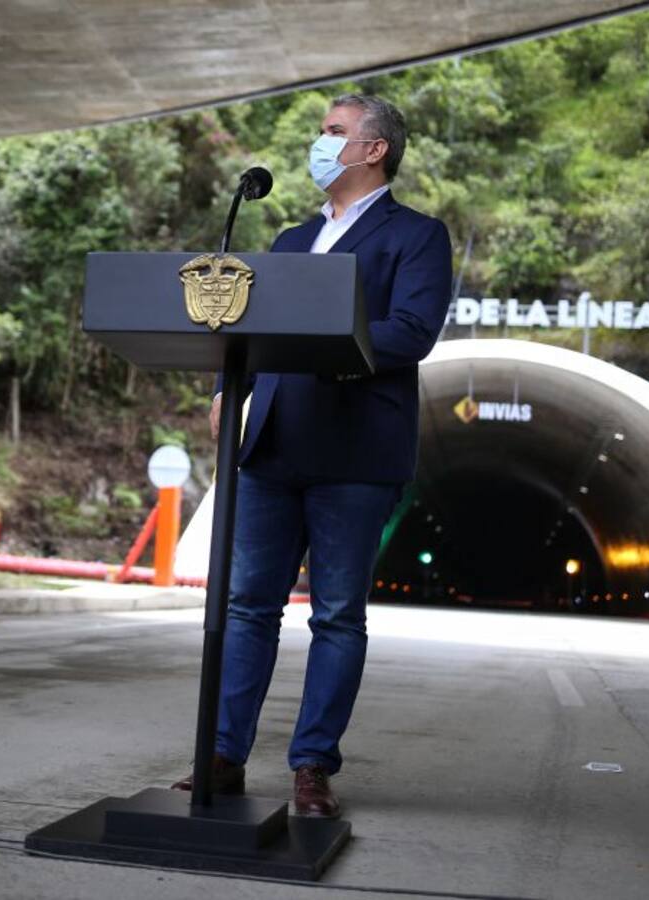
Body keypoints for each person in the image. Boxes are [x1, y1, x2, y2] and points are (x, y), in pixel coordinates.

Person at [173, 95, 453, 816]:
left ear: (373, 150)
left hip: (357, 452)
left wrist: (329, 349)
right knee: (246, 608)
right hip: (270, 444)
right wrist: (223, 389)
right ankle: (224, 756)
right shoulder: (293, 241)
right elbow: (244, 320)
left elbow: (413, 331)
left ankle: (311, 767)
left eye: (333, 133)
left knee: (335, 617)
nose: (318, 144)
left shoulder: (416, 237)